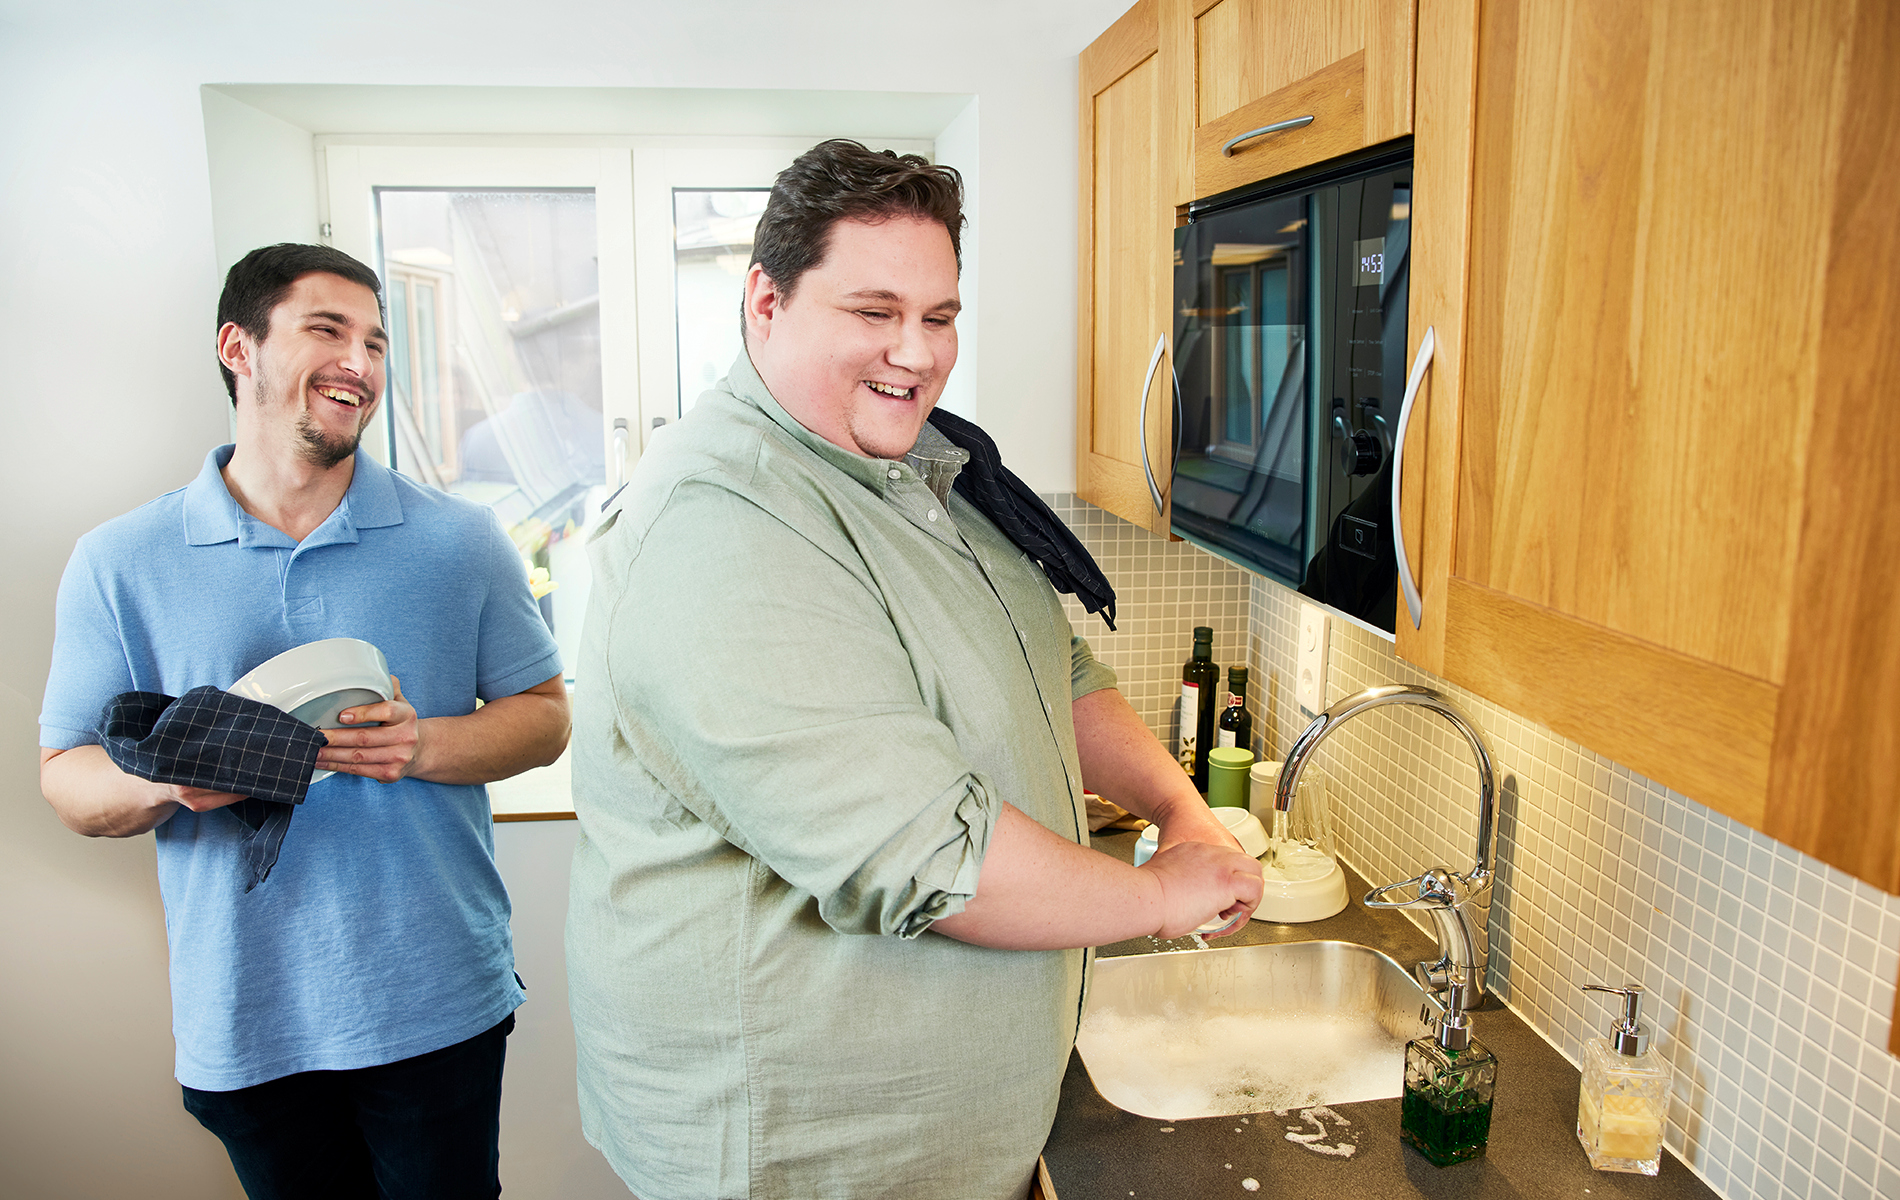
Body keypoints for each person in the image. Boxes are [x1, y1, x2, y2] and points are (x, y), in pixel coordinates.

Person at [566, 140, 1264, 1200]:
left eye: (939, 317)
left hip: (943, 1150)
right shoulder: (723, 529)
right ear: (765, 300)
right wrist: (1162, 893)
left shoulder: (906, 467)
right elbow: (930, 859)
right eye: (872, 312)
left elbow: (1049, 660)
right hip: (809, 1164)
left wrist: (1176, 802)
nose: (918, 353)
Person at [38, 243, 571, 1200]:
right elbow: (66, 777)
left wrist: (422, 745)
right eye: (327, 330)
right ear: (237, 347)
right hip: (246, 1015)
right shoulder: (120, 560)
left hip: (438, 998)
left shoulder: (459, 541)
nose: (359, 363)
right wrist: (169, 784)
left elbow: (545, 719)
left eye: (374, 341)